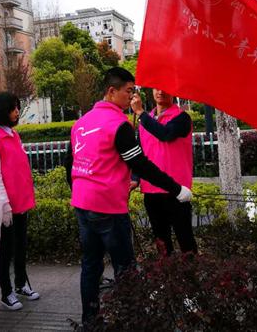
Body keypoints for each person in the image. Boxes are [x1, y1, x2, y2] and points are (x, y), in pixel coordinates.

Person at [65, 67, 193, 325]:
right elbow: (141, 163)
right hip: (108, 207)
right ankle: (131, 321)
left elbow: (70, 164)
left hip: (82, 205)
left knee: (90, 265)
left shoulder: (81, 123)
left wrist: (81, 192)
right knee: (125, 268)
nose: (132, 96)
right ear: (111, 91)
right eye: (128, 91)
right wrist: (177, 188)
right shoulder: (118, 124)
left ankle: (90, 321)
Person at [0, 92, 39, 311]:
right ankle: (6, 293)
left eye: (17, 107)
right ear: (2, 111)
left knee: (21, 246)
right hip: (5, 206)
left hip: (21, 203)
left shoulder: (14, 136)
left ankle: (22, 284)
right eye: (13, 108)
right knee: (5, 251)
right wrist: (4, 206)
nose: (17, 112)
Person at [131, 88, 197, 255]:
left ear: (174, 91)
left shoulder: (182, 118)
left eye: (165, 88)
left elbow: (165, 134)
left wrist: (140, 113)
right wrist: (135, 178)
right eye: (156, 87)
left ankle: (192, 271)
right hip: (151, 190)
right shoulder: (146, 119)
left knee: (185, 239)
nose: (160, 91)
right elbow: (140, 152)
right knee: (161, 241)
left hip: (177, 190)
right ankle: (166, 270)